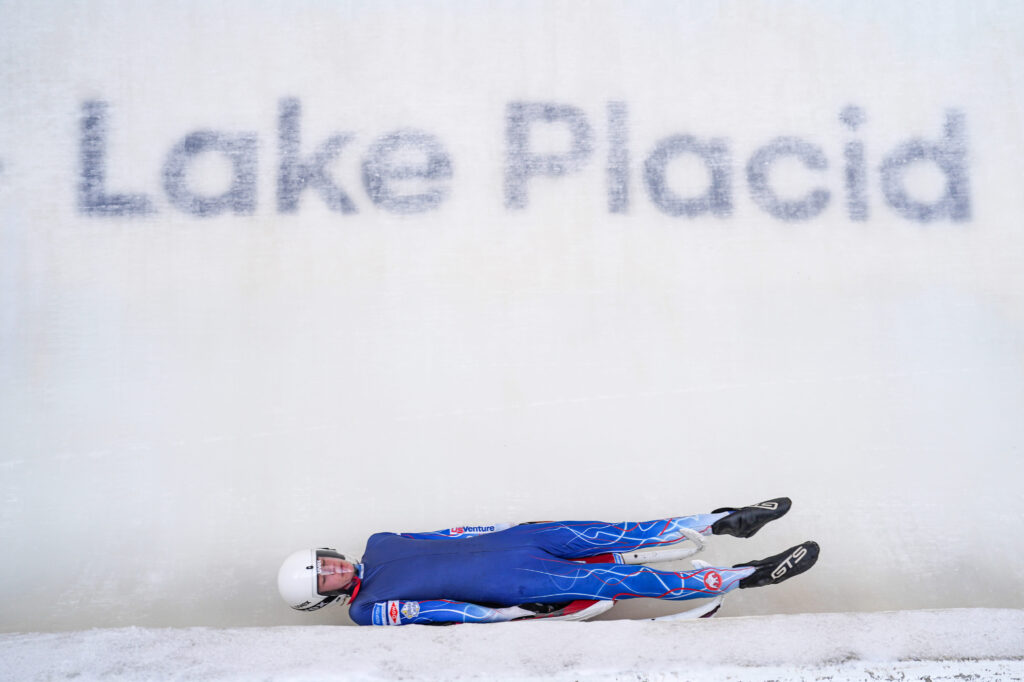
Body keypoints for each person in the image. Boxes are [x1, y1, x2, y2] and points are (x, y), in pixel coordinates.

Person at [277, 497, 819, 626]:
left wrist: (507, 530)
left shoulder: (379, 540)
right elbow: (436, 610)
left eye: (326, 562)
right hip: (512, 577)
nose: (336, 570)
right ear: (321, 594)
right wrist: (508, 614)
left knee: (620, 531)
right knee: (625, 577)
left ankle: (719, 520)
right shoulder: (366, 610)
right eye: (325, 577)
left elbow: (451, 533)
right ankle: (746, 575)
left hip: (521, 540)